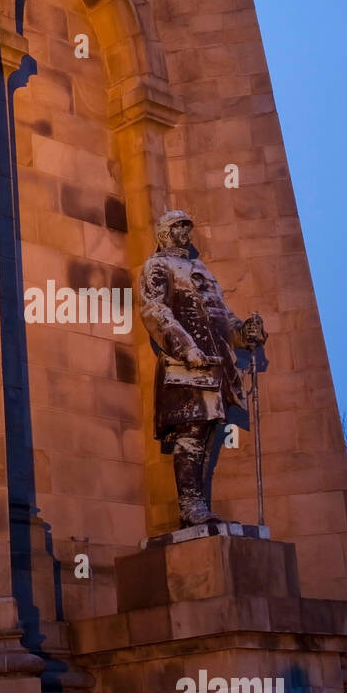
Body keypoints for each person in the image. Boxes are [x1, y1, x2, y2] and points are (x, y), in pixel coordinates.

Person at [137, 210, 267, 527]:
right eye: (178, 227)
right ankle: (189, 505)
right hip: (186, 365)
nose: (185, 233)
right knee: (191, 433)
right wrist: (186, 348)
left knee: (207, 435)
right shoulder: (158, 265)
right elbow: (155, 310)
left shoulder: (202, 270)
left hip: (215, 366)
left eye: (187, 227)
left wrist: (243, 332)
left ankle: (197, 503)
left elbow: (222, 316)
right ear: (164, 234)